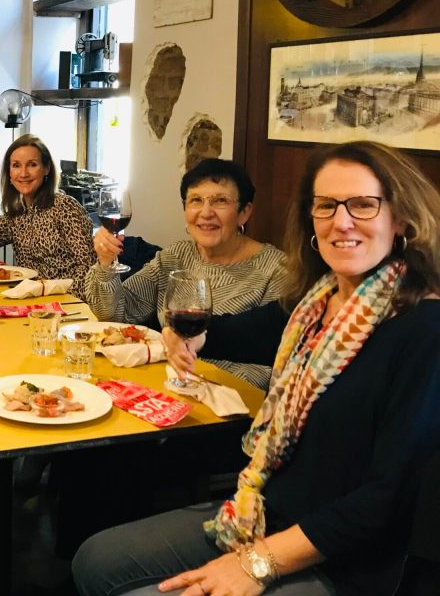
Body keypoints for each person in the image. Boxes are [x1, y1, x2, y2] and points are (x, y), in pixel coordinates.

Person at [73, 140, 440, 596]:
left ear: (401, 219)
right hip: (261, 511)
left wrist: (257, 563)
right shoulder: (314, 304)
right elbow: (236, 330)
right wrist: (191, 335)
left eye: (364, 205)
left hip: (344, 561)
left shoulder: (423, 329)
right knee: (95, 559)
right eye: (326, 205)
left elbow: (387, 500)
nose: (341, 221)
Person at [85, 158, 286, 389]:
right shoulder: (176, 256)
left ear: (244, 212)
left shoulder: (276, 270)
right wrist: (106, 264)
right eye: (196, 200)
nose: (206, 212)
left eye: (220, 201)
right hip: (162, 386)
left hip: (228, 405)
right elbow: (115, 314)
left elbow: (269, 369)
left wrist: (193, 379)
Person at [0, 134, 95, 296]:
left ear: (46, 169)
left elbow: (90, 269)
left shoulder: (66, 207)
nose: (23, 173)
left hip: (68, 302)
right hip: (31, 299)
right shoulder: (16, 214)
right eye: (16, 165)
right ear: (9, 173)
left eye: (32, 165)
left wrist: (51, 291)